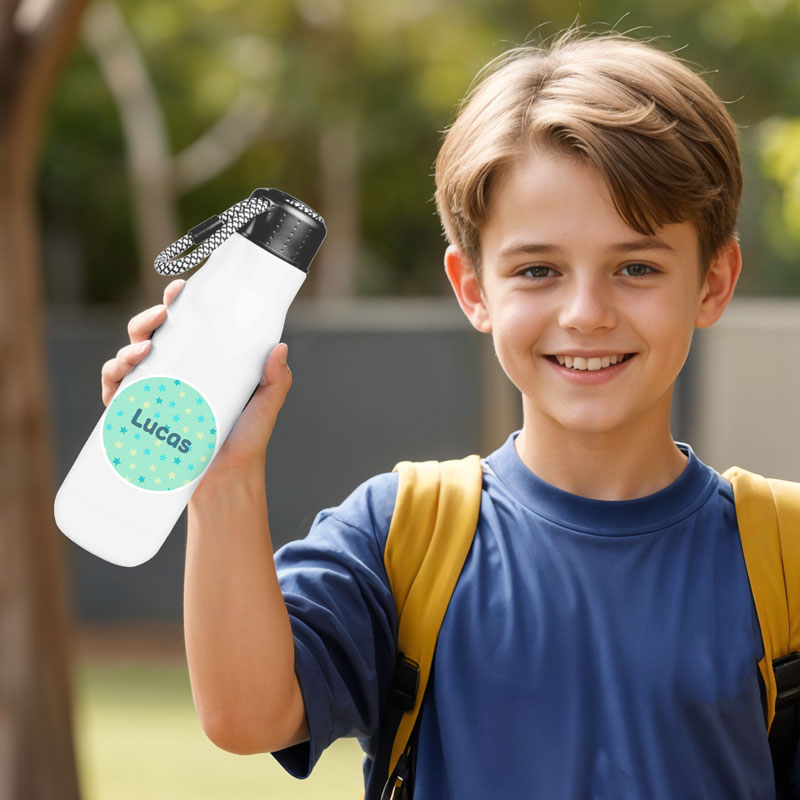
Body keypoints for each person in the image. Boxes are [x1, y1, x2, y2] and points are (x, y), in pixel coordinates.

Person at [101, 26, 798, 799]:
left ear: (713, 281)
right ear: (472, 289)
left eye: (636, 267)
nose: (586, 312)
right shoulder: (402, 534)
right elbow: (247, 716)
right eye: (538, 269)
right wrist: (223, 479)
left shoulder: (786, 554)